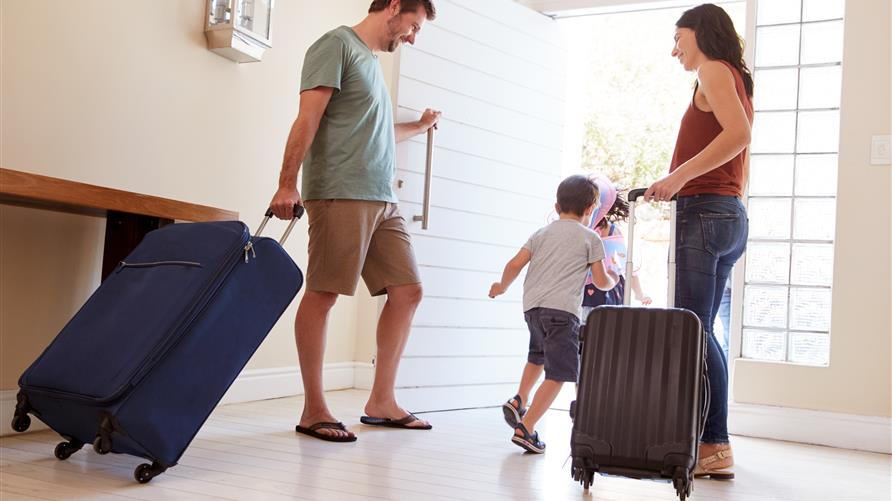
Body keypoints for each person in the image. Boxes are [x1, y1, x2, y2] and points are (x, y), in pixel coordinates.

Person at [268, 0, 441, 443]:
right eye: (414, 26)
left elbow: (375, 128)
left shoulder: (371, 64)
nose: (413, 37)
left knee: (408, 291)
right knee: (324, 294)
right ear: (395, 7)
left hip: (383, 197)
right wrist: (287, 184)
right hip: (341, 191)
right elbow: (308, 119)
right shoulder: (336, 46)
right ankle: (313, 409)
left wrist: (418, 127)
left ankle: (381, 401)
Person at [643, 3, 753, 479]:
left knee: (693, 329)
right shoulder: (734, 76)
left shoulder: (712, 69)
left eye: (679, 39)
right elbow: (736, 144)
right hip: (726, 215)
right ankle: (712, 444)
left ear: (700, 34)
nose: (674, 51)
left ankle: (715, 444)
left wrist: (676, 179)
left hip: (705, 212)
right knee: (703, 329)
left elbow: (738, 135)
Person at [490, 175, 617, 454]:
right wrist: (613, 281)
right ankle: (528, 426)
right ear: (591, 208)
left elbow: (515, 263)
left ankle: (519, 399)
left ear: (557, 205)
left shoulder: (541, 233)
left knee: (537, 356)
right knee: (558, 373)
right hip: (562, 312)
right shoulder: (591, 238)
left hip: (533, 308)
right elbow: (599, 280)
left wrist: (501, 286)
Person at [581, 175, 652, 323]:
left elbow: (626, 265)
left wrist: (639, 293)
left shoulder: (603, 231)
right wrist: (639, 293)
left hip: (601, 290)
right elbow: (627, 266)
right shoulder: (605, 231)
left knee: (588, 333)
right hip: (598, 291)